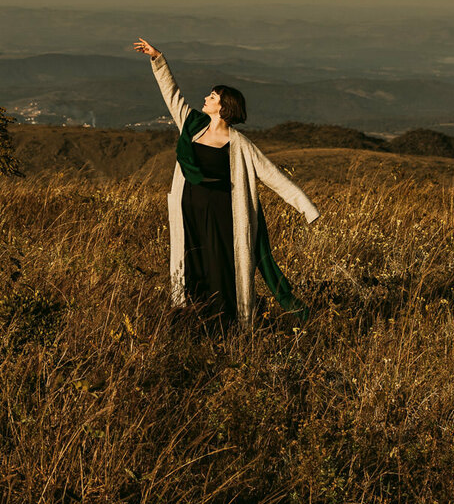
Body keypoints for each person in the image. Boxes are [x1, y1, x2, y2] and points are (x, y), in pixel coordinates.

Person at [132, 38, 320, 328]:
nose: (206, 98)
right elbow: (172, 95)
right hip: (189, 215)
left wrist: (307, 208)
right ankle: (189, 320)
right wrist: (158, 59)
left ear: (224, 106)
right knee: (191, 265)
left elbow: (272, 175)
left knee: (221, 268)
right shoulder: (192, 125)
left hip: (224, 219)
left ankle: (227, 325)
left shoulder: (240, 145)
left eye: (213, 96)